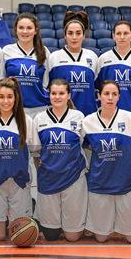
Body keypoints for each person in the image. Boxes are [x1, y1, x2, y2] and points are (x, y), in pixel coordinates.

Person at [82, 80, 131, 244]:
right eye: (106, 94)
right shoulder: (87, 122)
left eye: (114, 94)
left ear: (119, 97)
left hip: (125, 183)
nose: (110, 98)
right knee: (101, 238)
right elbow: (80, 148)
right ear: (99, 96)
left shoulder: (130, 118)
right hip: (99, 184)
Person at [0, 77, 34, 240]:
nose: (5, 101)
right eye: (1, 97)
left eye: (9, 96)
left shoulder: (26, 121)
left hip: (19, 182)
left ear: (15, 98)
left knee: (19, 237)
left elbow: (35, 150)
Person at [31, 78, 87, 241]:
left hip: (73, 178)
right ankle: (41, 212)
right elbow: (36, 152)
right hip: (49, 179)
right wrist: (42, 172)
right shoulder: (39, 118)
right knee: (51, 236)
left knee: (72, 237)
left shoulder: (78, 116)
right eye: (53, 93)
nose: (57, 97)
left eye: (61, 93)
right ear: (49, 95)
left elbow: (83, 145)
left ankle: (75, 221)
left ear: (68, 95)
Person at [97, 21, 131, 132]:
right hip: (110, 118)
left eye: (125, 33)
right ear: (113, 36)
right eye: (118, 33)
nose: (122, 37)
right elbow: (99, 90)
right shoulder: (103, 59)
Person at [48, 11, 98, 116]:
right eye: (70, 33)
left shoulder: (92, 57)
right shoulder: (54, 57)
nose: (74, 37)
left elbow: (96, 88)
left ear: (84, 35)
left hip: (89, 116)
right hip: (63, 117)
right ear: (65, 36)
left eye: (78, 33)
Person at [3, 13, 50, 118]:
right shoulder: (7, 51)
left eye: (29, 28)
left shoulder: (44, 51)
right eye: (21, 28)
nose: (25, 31)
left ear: (35, 30)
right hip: (14, 109)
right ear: (15, 30)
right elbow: (2, 80)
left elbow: (46, 82)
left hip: (39, 109)